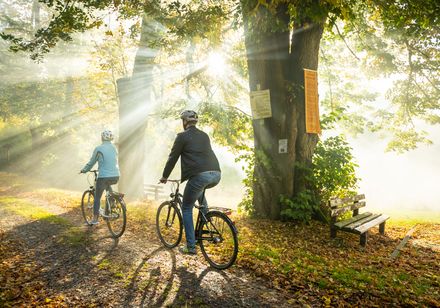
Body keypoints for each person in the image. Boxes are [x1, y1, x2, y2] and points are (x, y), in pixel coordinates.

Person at [160, 110, 221, 255]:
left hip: (199, 176)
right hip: (216, 174)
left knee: (186, 208)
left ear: (184, 122)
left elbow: (172, 157)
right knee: (199, 192)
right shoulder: (204, 135)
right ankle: (205, 221)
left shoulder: (182, 137)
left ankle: (191, 246)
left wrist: (164, 176)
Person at [80, 130, 120, 225]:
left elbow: (92, 162)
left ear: (102, 138)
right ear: (111, 138)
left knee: (97, 197)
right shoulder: (114, 148)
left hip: (103, 176)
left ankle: (94, 219)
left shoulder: (98, 148)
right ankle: (112, 201)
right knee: (107, 185)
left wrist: (84, 170)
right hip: (116, 175)